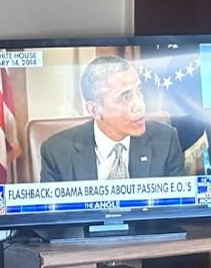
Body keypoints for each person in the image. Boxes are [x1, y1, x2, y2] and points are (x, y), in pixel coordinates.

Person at [40, 55, 185, 182]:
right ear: (95, 110)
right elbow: (53, 212)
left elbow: (178, 208)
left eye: (139, 91)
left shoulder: (166, 140)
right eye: (125, 97)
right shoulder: (56, 151)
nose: (140, 105)